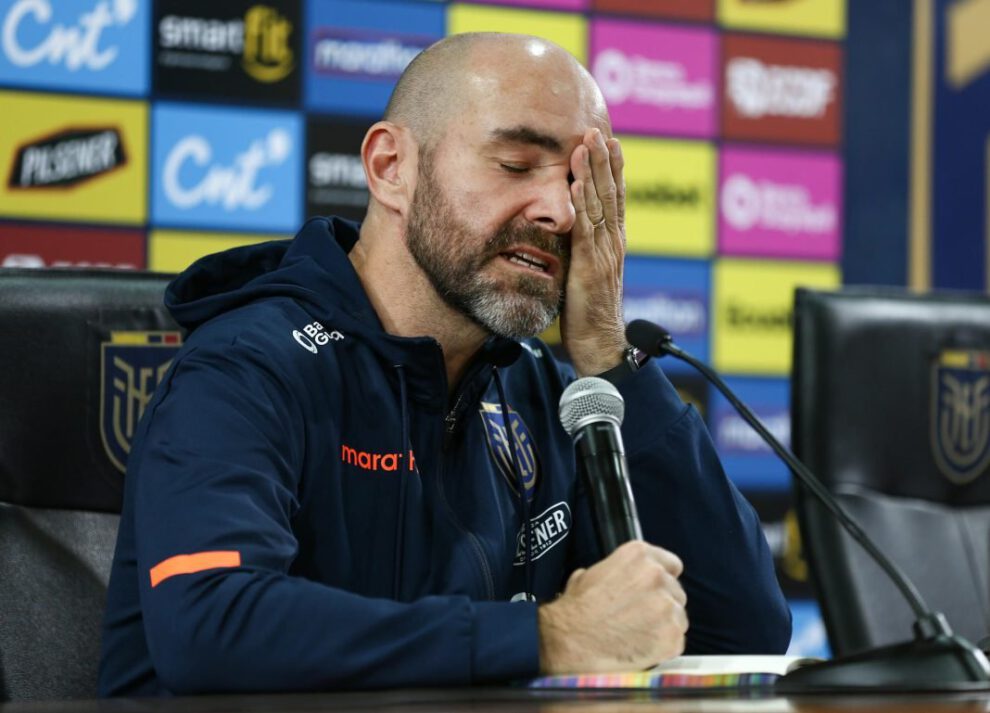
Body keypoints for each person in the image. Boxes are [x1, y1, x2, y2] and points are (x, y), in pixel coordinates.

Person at [99, 33, 790, 696]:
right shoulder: (247, 365)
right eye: (517, 164)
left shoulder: (541, 387)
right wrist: (550, 635)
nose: (558, 211)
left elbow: (741, 630)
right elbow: (209, 623)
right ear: (390, 168)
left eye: (582, 184)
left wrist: (609, 358)